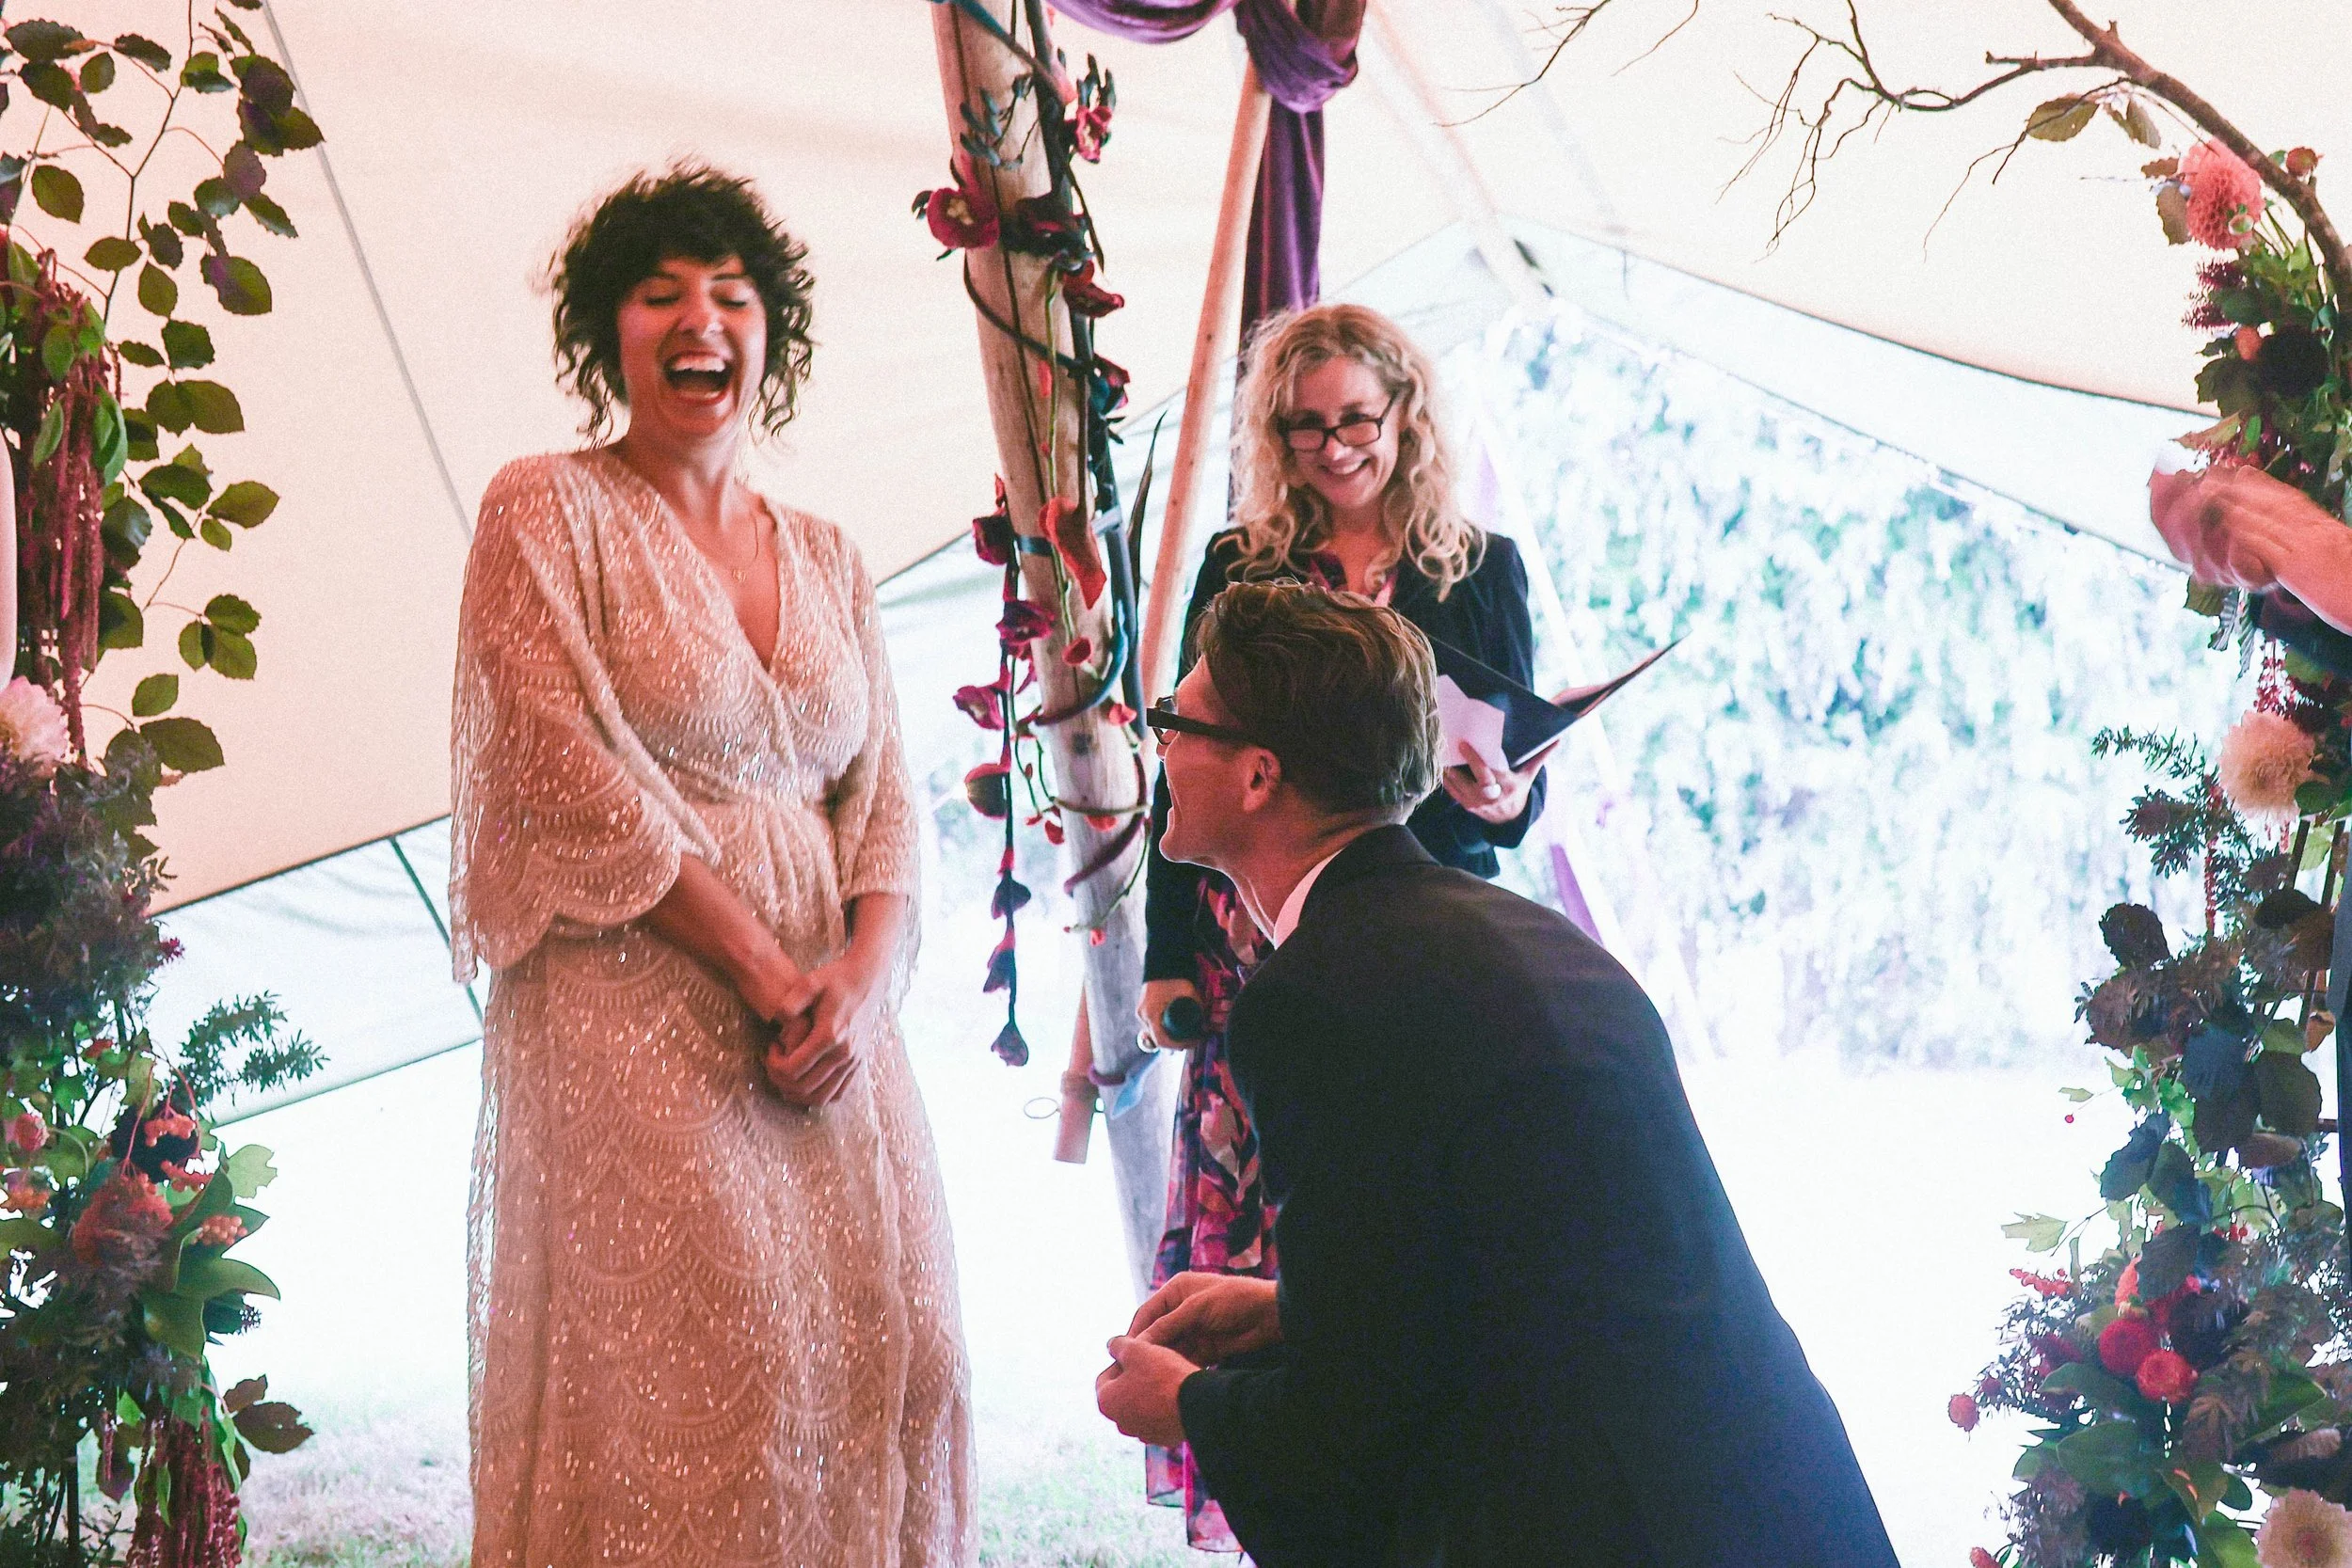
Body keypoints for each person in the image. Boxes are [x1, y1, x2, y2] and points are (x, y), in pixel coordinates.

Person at [1096, 581, 1899, 1568]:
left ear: (1259, 774)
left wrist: (1181, 1402)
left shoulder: (1311, 997)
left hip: (1618, 1520)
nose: (1157, 747)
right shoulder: (1512, 928)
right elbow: (1521, 1267)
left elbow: (1354, 1412)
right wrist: (1279, 1306)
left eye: (1174, 722)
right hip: (1767, 1490)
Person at [448, 166, 974, 1567]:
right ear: (605, 334)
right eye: (661, 292)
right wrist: (759, 963)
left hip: (837, 1029)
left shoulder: (832, 554)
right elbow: (561, 767)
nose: (701, 321)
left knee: (889, 1346)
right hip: (642, 1008)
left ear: (769, 335)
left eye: (731, 296)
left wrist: (857, 981)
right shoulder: (544, 509)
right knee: (694, 1366)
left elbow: (884, 800)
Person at [1135, 303, 1547, 1547]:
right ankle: (1269, 1484)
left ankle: (1411, 1476)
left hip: (1432, 932)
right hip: (1249, 940)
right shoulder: (1239, 565)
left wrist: (1509, 791)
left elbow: (1519, 783)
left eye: (1355, 419)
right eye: (1304, 426)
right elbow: (1184, 768)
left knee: (1402, 1209)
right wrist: (1164, 951)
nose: (1332, 447)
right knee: (1260, 1213)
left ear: (1405, 415)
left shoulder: (1481, 569)